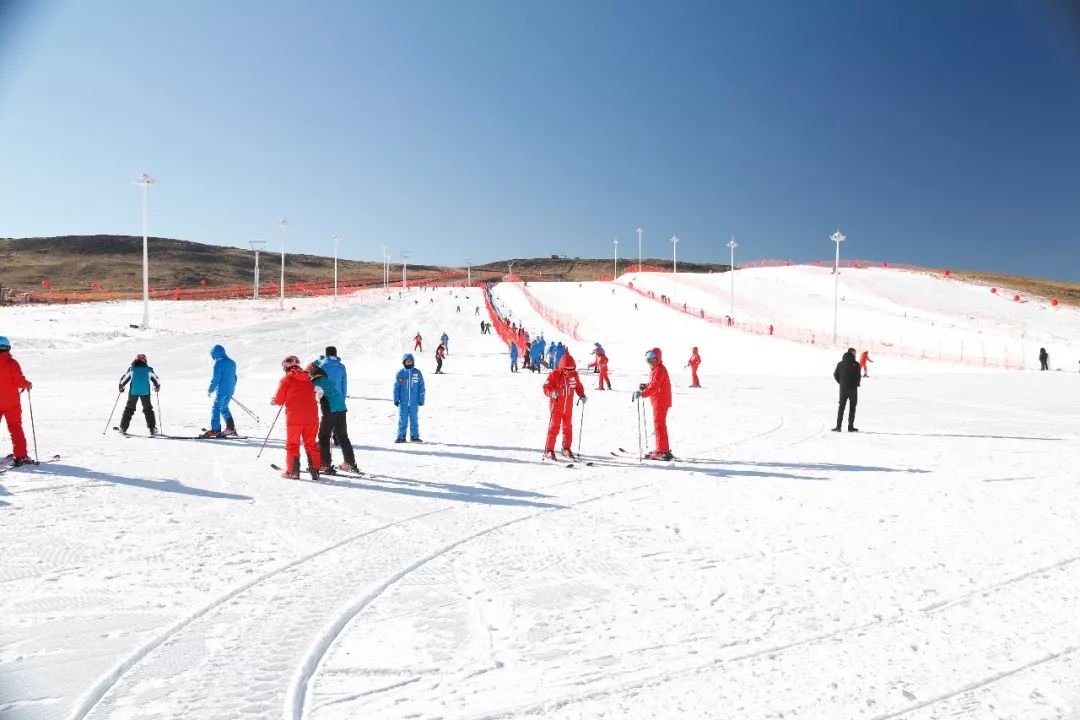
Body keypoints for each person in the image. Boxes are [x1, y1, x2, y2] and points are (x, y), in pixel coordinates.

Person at [272, 355, 321, 480]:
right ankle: (315, 471)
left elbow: (279, 400)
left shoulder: (286, 380)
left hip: (294, 418)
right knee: (311, 444)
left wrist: (274, 401)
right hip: (312, 417)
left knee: (293, 444)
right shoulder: (309, 378)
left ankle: (293, 472)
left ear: (286, 366)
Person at [309, 362, 358, 473]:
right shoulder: (327, 380)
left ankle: (324, 464)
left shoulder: (315, 382)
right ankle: (350, 463)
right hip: (341, 408)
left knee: (324, 436)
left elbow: (313, 393)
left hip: (330, 410)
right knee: (342, 436)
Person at [542, 351, 586, 460]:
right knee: (554, 427)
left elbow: (578, 386)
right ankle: (549, 449)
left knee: (567, 428)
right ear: (562, 367)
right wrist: (551, 393)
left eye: (572, 369)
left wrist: (582, 395)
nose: (569, 371)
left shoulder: (574, 375)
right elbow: (546, 387)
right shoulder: (554, 374)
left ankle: (566, 448)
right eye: (567, 369)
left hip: (568, 407)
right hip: (556, 406)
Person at [633, 348, 672, 460]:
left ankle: (662, 450)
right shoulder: (657, 369)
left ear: (658, 358)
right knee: (659, 425)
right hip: (659, 400)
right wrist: (646, 385)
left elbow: (655, 387)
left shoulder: (659, 369)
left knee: (659, 425)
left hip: (660, 400)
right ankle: (663, 449)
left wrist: (642, 393)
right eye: (648, 360)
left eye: (653, 359)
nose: (651, 362)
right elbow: (654, 383)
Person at [0, 336, 33, 466]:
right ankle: (21, 456)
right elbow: (20, 381)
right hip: (11, 403)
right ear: (8, 347)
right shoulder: (12, 363)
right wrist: (28, 384)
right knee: (15, 428)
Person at [117, 354, 160, 435]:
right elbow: (156, 379)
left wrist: (121, 387)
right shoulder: (148, 369)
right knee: (148, 409)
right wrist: (157, 387)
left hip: (133, 392)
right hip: (145, 392)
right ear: (145, 360)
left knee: (129, 409)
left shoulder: (131, 369)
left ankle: (123, 428)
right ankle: (152, 429)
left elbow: (124, 379)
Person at [204, 344, 237, 438]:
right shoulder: (232, 362)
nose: (212, 357)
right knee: (224, 407)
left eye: (212, 355)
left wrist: (210, 390)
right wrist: (231, 388)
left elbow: (216, 378)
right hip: (230, 389)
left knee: (216, 407)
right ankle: (230, 428)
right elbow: (234, 377)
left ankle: (215, 430)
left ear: (215, 354)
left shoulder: (219, 363)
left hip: (222, 390)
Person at [394, 353, 426, 442]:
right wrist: (396, 399)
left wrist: (421, 399)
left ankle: (414, 436)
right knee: (402, 420)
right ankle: (401, 436)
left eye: (410, 361)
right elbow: (396, 387)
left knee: (414, 420)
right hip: (403, 402)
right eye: (407, 361)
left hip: (414, 402)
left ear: (413, 362)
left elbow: (421, 387)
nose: (408, 363)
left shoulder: (417, 373)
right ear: (404, 362)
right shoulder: (400, 373)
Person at [833, 348, 861, 432]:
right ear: (851, 353)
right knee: (852, 408)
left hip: (843, 389)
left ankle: (838, 427)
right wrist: (856, 384)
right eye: (855, 352)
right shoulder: (856, 364)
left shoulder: (840, 364)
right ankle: (850, 427)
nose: (855, 354)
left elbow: (835, 375)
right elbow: (858, 376)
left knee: (841, 408)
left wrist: (841, 383)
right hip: (853, 389)